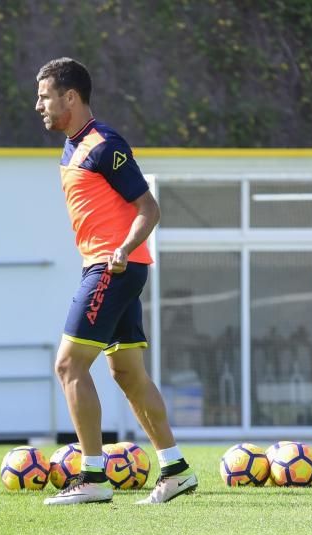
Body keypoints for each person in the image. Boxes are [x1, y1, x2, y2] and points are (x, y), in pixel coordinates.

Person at [34, 58, 197, 505]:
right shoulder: (72, 147)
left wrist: (123, 249)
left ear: (71, 97)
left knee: (69, 365)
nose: (38, 105)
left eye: (45, 96)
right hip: (112, 267)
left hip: (113, 267)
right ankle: (175, 468)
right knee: (126, 371)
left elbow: (149, 208)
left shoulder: (104, 144)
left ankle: (92, 477)